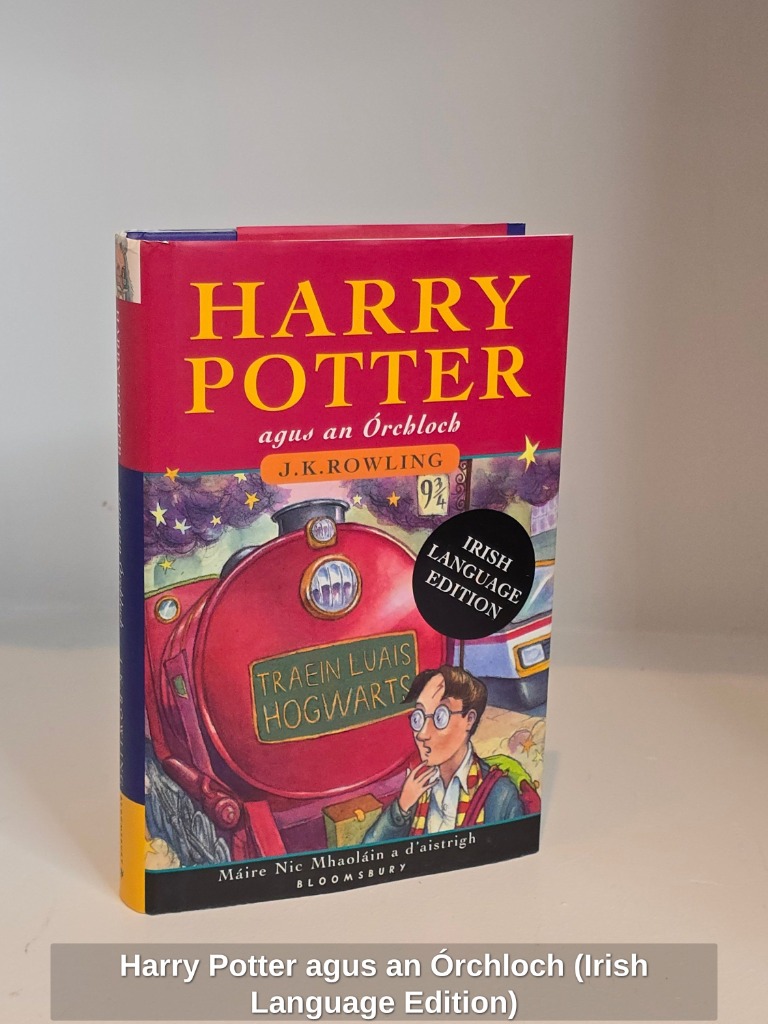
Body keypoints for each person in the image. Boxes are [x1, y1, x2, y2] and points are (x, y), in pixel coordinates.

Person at [364, 665, 522, 842]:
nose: (422, 733)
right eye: (418, 717)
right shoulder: (416, 789)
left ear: (469, 720)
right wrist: (401, 809)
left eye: (440, 717)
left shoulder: (500, 795)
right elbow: (370, 849)